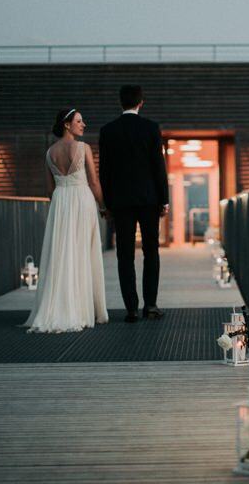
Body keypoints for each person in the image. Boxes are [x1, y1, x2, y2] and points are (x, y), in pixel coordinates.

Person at [24, 108, 109, 333]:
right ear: (67, 124)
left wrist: (61, 204)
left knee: (61, 254)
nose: (83, 124)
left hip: (60, 203)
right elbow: (94, 182)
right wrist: (103, 206)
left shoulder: (49, 153)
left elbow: (49, 190)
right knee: (82, 253)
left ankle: (61, 306)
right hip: (82, 200)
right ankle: (82, 309)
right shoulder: (83, 148)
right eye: (79, 121)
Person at [99, 85, 169, 323]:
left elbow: (105, 171)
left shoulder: (108, 131)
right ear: (141, 102)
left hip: (121, 202)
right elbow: (158, 166)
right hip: (149, 199)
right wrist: (164, 199)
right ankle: (150, 305)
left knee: (125, 255)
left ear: (120, 102)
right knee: (151, 251)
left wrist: (107, 203)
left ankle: (131, 308)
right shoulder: (151, 128)